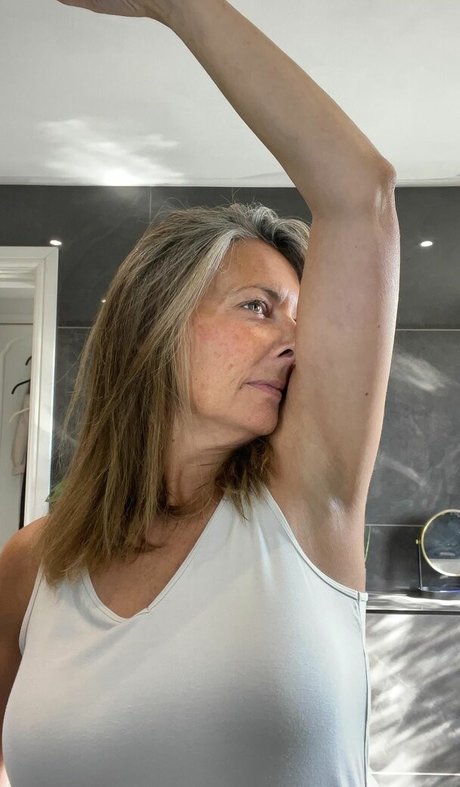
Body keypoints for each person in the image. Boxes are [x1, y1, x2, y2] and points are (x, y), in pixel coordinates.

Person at [0, 1, 399, 786]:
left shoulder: (303, 504)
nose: (295, 339)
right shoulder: (32, 565)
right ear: (156, 325)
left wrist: (180, 6)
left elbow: (362, 193)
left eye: (299, 315)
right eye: (257, 307)